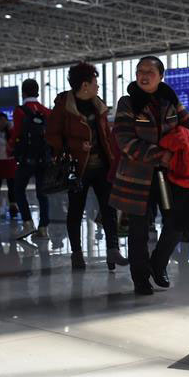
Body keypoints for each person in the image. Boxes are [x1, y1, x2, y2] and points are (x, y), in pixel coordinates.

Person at [110, 56, 189, 295]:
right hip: (137, 176)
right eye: (139, 71)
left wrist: (177, 149)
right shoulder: (127, 103)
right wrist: (160, 154)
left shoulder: (170, 101)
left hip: (168, 176)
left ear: (160, 75)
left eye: (150, 71)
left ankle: (158, 263)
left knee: (177, 223)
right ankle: (140, 278)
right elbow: (124, 138)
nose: (144, 75)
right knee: (138, 229)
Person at [46, 63, 128, 271]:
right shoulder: (64, 106)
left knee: (109, 208)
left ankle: (112, 250)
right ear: (84, 85)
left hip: (101, 165)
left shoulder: (97, 104)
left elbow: (106, 136)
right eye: (95, 82)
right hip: (77, 168)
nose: (98, 86)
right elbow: (52, 136)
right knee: (76, 210)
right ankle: (77, 254)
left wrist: (115, 159)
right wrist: (75, 146)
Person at [10, 79, 51, 240]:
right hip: (44, 159)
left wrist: (12, 148)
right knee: (43, 193)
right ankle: (43, 227)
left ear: (23, 93)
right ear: (38, 92)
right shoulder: (46, 111)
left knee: (18, 189)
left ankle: (28, 223)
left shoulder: (20, 111)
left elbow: (16, 133)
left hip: (26, 158)